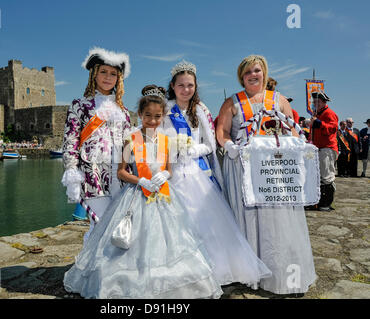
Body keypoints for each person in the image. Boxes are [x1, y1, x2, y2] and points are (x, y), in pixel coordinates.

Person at [63, 85, 223, 299]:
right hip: (137, 194)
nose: (153, 120)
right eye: (148, 115)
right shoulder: (131, 139)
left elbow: (169, 170)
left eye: (158, 116)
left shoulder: (167, 140)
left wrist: (164, 176)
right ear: (140, 114)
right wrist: (142, 181)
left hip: (163, 196)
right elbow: (121, 172)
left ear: (163, 116)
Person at [160, 61, 272, 287]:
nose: (186, 90)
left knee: (207, 222)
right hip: (171, 172)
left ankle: (214, 268)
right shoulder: (163, 109)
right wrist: (173, 151)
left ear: (195, 86)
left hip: (197, 173)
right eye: (181, 85)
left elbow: (210, 143)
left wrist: (195, 149)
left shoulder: (200, 110)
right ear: (172, 86)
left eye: (190, 85)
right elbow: (154, 140)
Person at [215, 55, 316, 295]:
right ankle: (246, 273)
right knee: (247, 218)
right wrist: (229, 146)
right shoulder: (232, 102)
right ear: (242, 76)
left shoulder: (279, 100)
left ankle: (282, 274)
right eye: (248, 71)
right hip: (243, 167)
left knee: (278, 221)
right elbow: (222, 130)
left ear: (264, 73)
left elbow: (293, 129)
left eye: (257, 71)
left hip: (275, 170)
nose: (253, 75)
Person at [62, 47, 132, 244]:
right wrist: (71, 171)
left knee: (117, 225)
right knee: (99, 225)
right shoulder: (80, 105)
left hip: (119, 175)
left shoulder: (124, 111)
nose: (108, 77)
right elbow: (70, 139)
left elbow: (129, 145)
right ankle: (91, 270)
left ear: (119, 79)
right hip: (91, 174)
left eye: (113, 74)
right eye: (103, 72)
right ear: (94, 74)